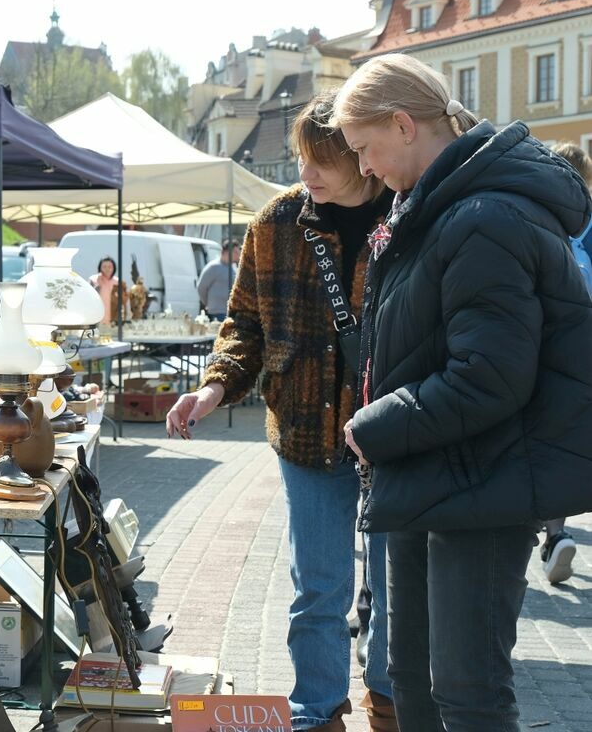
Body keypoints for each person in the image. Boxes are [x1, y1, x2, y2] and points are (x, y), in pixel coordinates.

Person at [335, 53, 592, 732]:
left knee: (467, 693)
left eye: (365, 147)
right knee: (413, 685)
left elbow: (490, 376)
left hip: (486, 481)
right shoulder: (436, 209)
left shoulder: (484, 215)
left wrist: (374, 427)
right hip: (436, 474)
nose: (363, 167)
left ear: (403, 123)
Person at [166, 92, 395, 732]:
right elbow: (244, 324)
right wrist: (213, 389)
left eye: (320, 161)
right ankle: (317, 710)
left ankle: (387, 702)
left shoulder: (407, 217)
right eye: (300, 159)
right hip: (305, 434)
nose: (306, 174)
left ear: (364, 160)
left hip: (393, 438)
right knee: (318, 589)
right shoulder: (276, 223)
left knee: (393, 591)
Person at [542, 141, 591, 585]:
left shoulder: (536, 214)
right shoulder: (588, 224)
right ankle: (555, 534)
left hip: (549, 349)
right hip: (582, 349)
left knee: (546, 443)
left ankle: (551, 533)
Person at [196, 241, 238, 321]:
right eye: (235, 252)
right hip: (217, 312)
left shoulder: (234, 268)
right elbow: (201, 288)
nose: (238, 255)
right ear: (226, 252)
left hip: (231, 312)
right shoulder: (213, 267)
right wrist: (208, 303)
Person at [89, 256, 122, 325]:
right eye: (104, 267)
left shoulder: (117, 282)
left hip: (113, 318)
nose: (107, 269)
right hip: (97, 317)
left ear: (114, 268)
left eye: (110, 267)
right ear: (100, 268)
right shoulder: (94, 280)